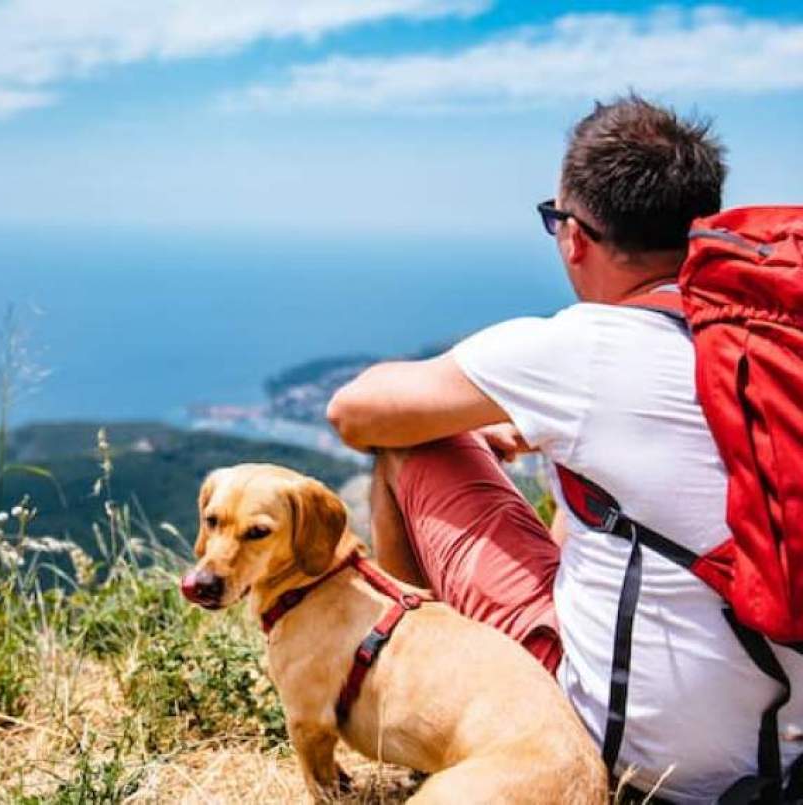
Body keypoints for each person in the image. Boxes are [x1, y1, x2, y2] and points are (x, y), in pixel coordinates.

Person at [326, 95, 803, 803]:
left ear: (575, 235)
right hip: (783, 757)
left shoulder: (581, 349)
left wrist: (483, 420)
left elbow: (357, 412)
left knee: (413, 451)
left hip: (652, 762)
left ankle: (418, 720)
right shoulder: (771, 345)